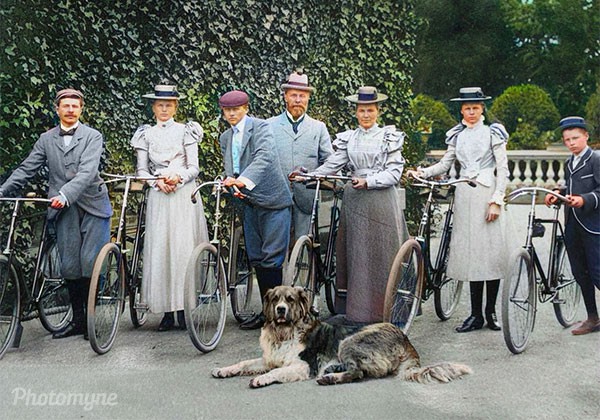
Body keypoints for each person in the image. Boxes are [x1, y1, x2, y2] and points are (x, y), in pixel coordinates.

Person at [0, 88, 112, 339]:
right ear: (57, 109)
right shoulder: (46, 138)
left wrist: (64, 194)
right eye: (66, 106)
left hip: (92, 204)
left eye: (75, 106)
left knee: (89, 261)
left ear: (81, 109)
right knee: (70, 264)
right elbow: (28, 167)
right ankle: (78, 321)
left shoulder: (93, 136)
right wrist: (4, 190)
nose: (70, 110)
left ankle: (92, 323)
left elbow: (86, 172)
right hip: (63, 208)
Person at [292, 86, 409, 324]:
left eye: (370, 110)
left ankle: (385, 310)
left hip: (381, 201)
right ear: (356, 112)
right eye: (361, 110)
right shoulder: (349, 138)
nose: (365, 115)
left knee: (382, 253)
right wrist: (309, 176)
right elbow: (333, 165)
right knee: (358, 255)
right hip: (354, 201)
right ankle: (359, 311)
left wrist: (370, 181)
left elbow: (395, 173)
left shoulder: (389, 137)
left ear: (377, 111)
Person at [408, 87, 509, 333]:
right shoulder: (457, 135)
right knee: (472, 254)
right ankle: (475, 315)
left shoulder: (492, 133)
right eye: (467, 108)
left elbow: (503, 168)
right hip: (464, 195)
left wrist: (497, 200)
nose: (471, 112)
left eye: (475, 107)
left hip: (487, 195)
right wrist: (423, 172)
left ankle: (490, 312)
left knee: (490, 254)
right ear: (461, 110)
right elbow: (445, 163)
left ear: (482, 108)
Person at [131, 83, 208, 331]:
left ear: (175, 106)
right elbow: (142, 170)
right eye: (160, 105)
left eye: (169, 105)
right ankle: (166, 311)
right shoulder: (145, 134)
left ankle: (184, 307)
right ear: (153, 107)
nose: (164, 109)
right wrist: (156, 182)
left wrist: (179, 178)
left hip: (183, 196)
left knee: (183, 249)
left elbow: (194, 167)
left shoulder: (187, 131)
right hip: (160, 198)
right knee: (161, 250)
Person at [218, 90, 293, 330]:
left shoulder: (261, 128)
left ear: (246, 108)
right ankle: (266, 312)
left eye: (236, 109)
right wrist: (227, 182)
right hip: (248, 202)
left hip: (273, 201)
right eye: (227, 110)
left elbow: (265, 158)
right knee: (257, 257)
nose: (231, 114)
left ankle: (278, 316)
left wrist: (243, 180)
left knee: (272, 256)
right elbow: (231, 168)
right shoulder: (225, 138)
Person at [544, 116, 599, 335]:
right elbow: (569, 188)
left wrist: (585, 199)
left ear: (586, 136)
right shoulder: (570, 162)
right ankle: (593, 318)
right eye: (567, 140)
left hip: (594, 226)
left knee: (597, 272)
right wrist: (557, 195)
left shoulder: (595, 159)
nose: (571, 143)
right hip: (573, 226)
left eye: (575, 138)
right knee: (579, 272)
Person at [267, 70, 332, 240]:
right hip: (277, 197)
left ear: (308, 98)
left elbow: (329, 161)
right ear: (285, 97)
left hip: (307, 198)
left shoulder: (319, 128)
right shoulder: (269, 126)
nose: (298, 100)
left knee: (305, 247)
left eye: (302, 96)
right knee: (276, 246)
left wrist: (311, 176)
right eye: (293, 95)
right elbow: (262, 160)